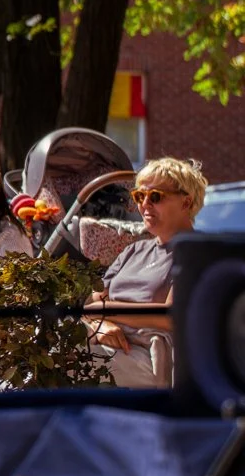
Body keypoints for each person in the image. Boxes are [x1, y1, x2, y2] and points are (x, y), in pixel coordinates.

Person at [88, 157, 208, 387]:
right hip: (111, 343)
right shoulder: (135, 250)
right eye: (139, 196)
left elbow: (172, 317)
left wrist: (107, 311)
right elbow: (92, 304)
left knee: (59, 360)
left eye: (155, 197)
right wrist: (101, 325)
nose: (144, 205)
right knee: (44, 339)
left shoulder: (196, 252)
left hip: (149, 355)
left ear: (186, 202)